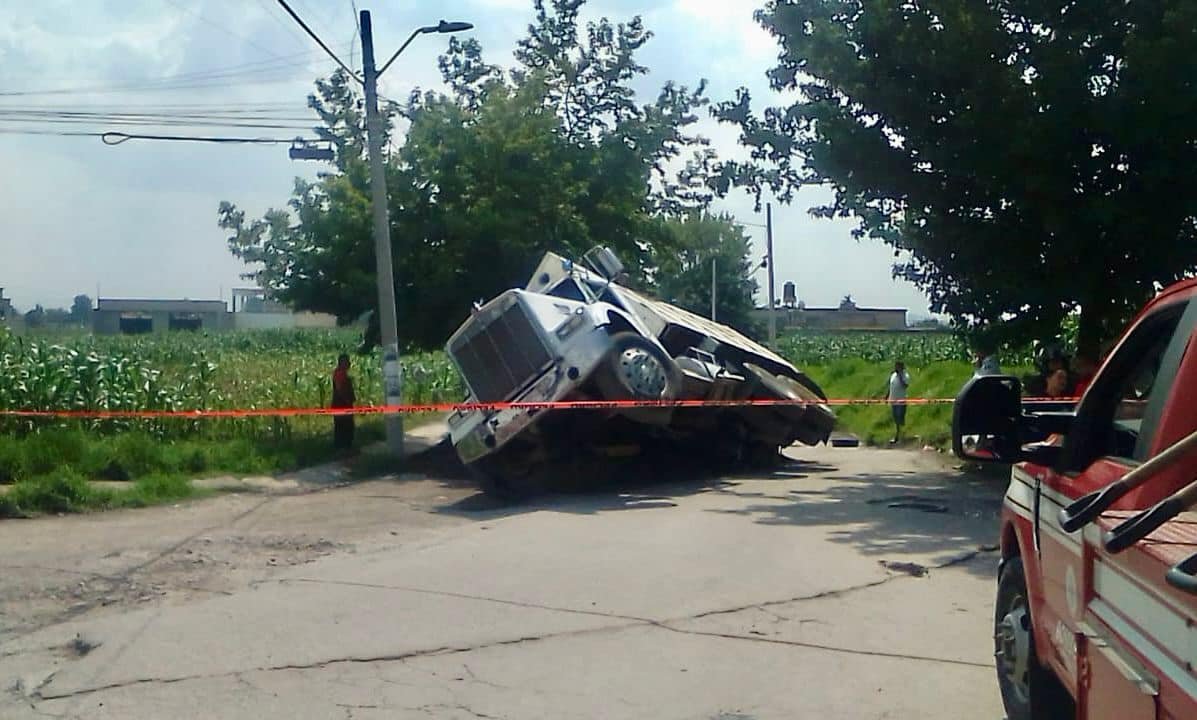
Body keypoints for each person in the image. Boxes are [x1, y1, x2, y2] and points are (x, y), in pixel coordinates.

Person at [331, 353, 356, 451]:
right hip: (341, 405)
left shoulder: (342, 374)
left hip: (343, 405)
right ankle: (343, 448)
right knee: (344, 427)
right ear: (342, 363)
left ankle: (344, 448)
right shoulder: (339, 374)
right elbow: (340, 390)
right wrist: (347, 401)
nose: (349, 363)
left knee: (345, 427)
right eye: (347, 361)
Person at [887, 360, 911, 444]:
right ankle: (897, 436)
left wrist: (900, 376)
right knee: (896, 419)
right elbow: (890, 386)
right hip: (893, 400)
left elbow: (905, 385)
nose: (896, 368)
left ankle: (902, 437)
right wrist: (887, 396)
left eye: (897, 366)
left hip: (901, 400)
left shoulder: (905, 375)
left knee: (900, 419)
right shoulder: (893, 375)